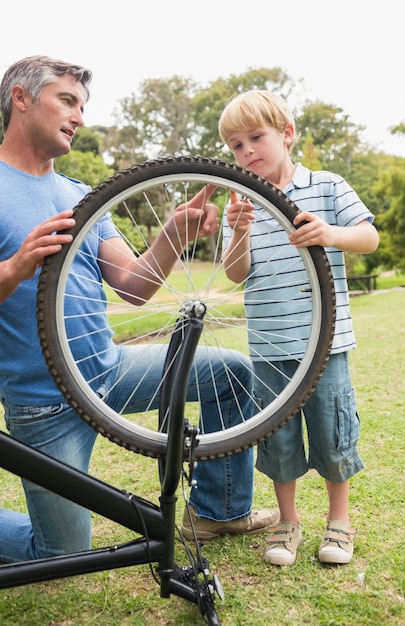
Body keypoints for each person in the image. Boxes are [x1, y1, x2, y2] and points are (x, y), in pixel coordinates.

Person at [0, 57, 278, 563]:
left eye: (82, 106)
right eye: (67, 101)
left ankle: (220, 511)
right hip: (44, 405)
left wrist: (174, 231)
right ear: (21, 98)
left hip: (108, 373)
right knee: (64, 554)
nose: (79, 116)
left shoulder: (81, 195)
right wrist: (16, 267)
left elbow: (133, 285)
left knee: (231, 372)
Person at [218, 90, 379, 566]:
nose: (246, 152)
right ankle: (288, 522)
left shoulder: (326, 186)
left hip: (326, 343)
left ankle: (339, 522)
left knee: (332, 432)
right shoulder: (243, 203)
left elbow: (367, 236)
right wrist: (240, 230)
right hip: (269, 345)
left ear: (287, 135)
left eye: (255, 138)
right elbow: (234, 272)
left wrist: (329, 233)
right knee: (278, 437)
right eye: (235, 146)